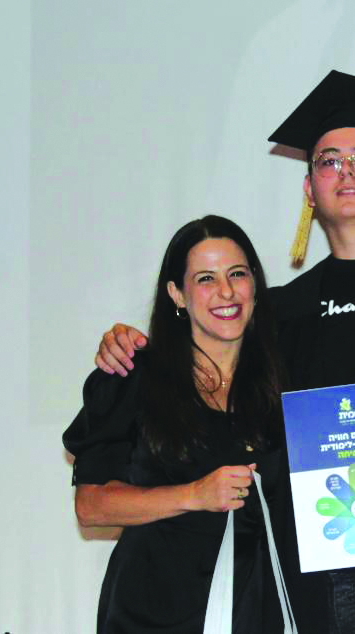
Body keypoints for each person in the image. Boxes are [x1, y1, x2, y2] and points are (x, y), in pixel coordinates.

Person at [93, 71, 355, 633]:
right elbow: (200, 358)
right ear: (310, 189)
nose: (347, 172)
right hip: (317, 582)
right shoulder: (280, 312)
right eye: (329, 162)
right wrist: (127, 341)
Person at [64, 215, 291, 633]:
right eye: (205, 279)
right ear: (177, 294)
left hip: (258, 609)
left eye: (237, 274)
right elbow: (91, 506)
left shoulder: (286, 378)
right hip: (155, 612)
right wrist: (194, 494)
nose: (226, 291)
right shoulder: (134, 377)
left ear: (256, 284)